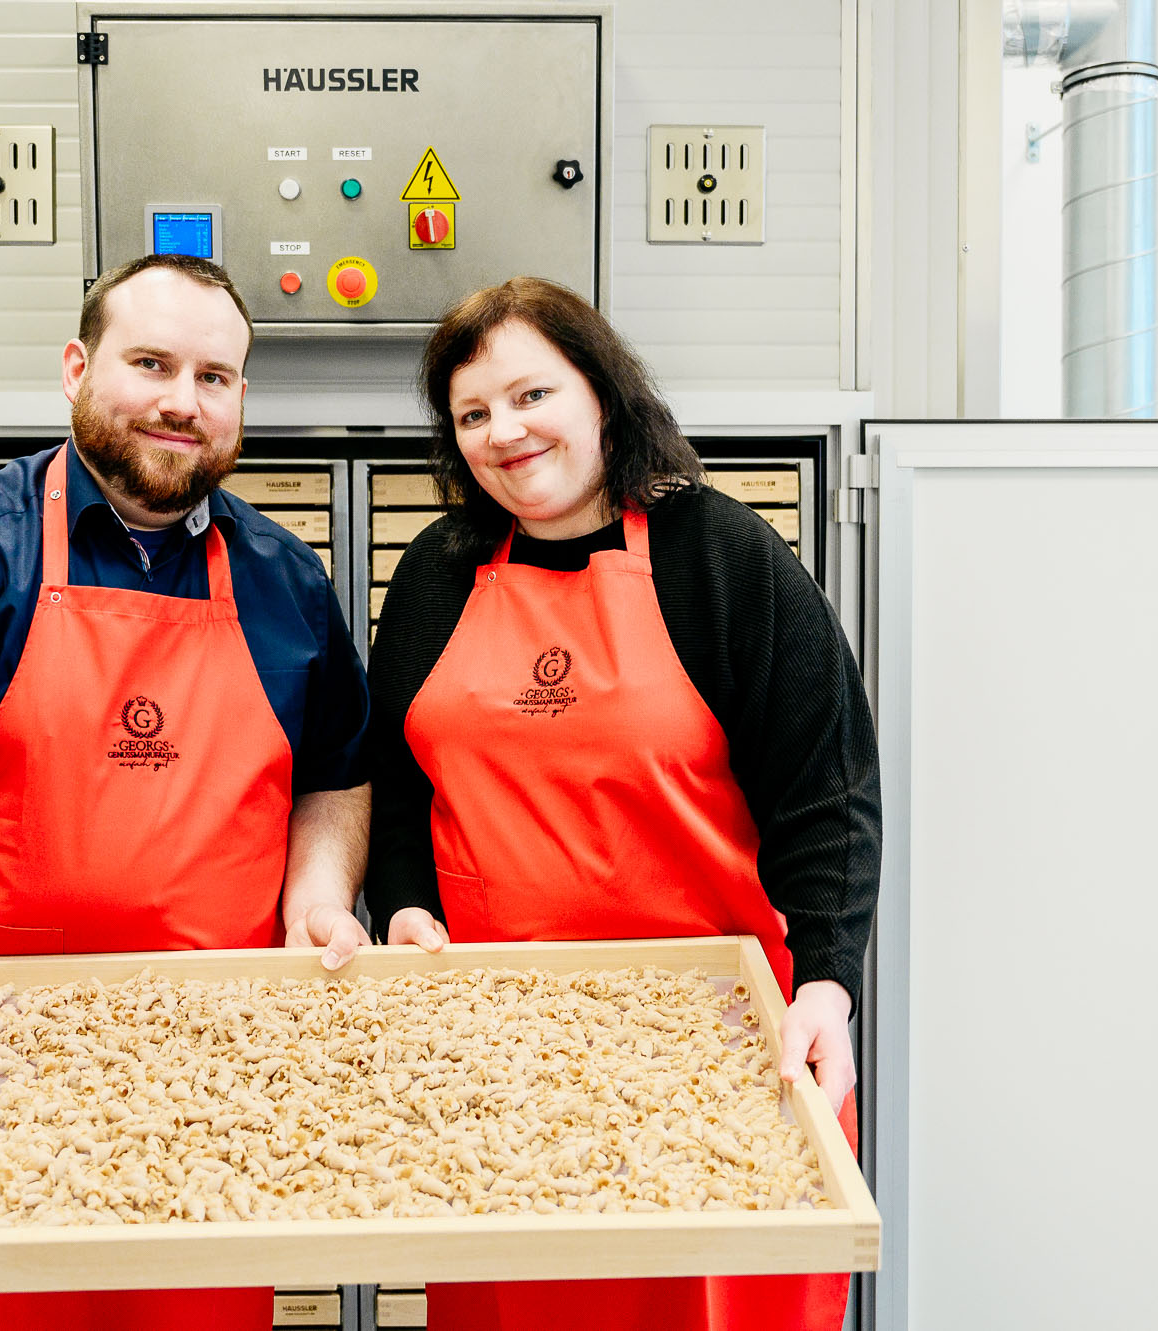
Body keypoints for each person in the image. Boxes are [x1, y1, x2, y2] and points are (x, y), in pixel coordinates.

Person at [0, 253, 375, 1331]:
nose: (181, 399)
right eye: (150, 363)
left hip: (210, 1075)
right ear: (77, 367)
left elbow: (335, 777)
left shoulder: (282, 576)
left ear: (239, 402)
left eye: (213, 377)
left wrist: (315, 897)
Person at [365, 276, 880, 1331]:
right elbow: (396, 779)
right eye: (472, 413)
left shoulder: (719, 555)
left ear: (600, 392)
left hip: (715, 1044)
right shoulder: (436, 572)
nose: (503, 432)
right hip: (500, 1053)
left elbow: (824, 788)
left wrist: (827, 978)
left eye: (530, 394)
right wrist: (404, 902)